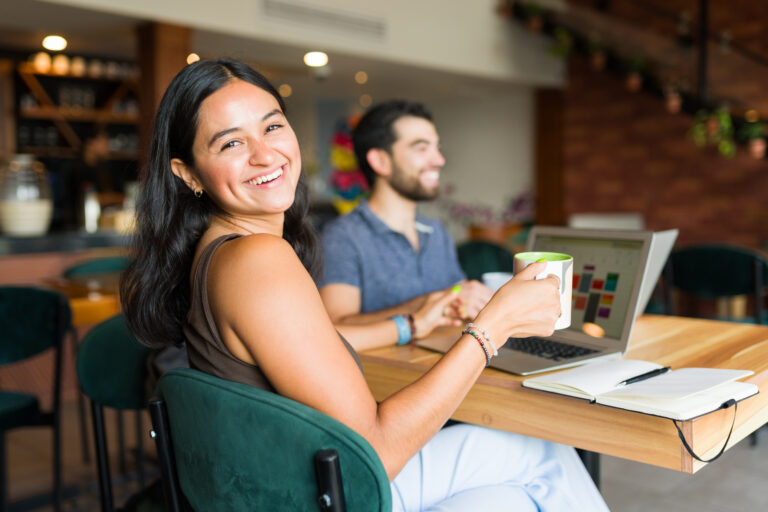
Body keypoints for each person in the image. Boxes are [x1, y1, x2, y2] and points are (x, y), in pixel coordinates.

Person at [120, 58, 608, 511]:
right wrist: (492, 327)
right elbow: (377, 448)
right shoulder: (257, 258)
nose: (265, 154)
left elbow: (306, 345)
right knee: (539, 453)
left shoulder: (219, 252)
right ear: (187, 174)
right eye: (231, 142)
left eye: (272, 126)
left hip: (286, 488)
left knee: (509, 499)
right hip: (329, 492)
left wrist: (408, 324)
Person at [319, 100, 493, 351]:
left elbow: (456, 307)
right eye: (422, 148)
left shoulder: (436, 232)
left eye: (437, 148)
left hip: (446, 368)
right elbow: (333, 326)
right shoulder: (342, 236)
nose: (439, 160)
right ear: (380, 161)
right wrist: (426, 304)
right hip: (385, 380)